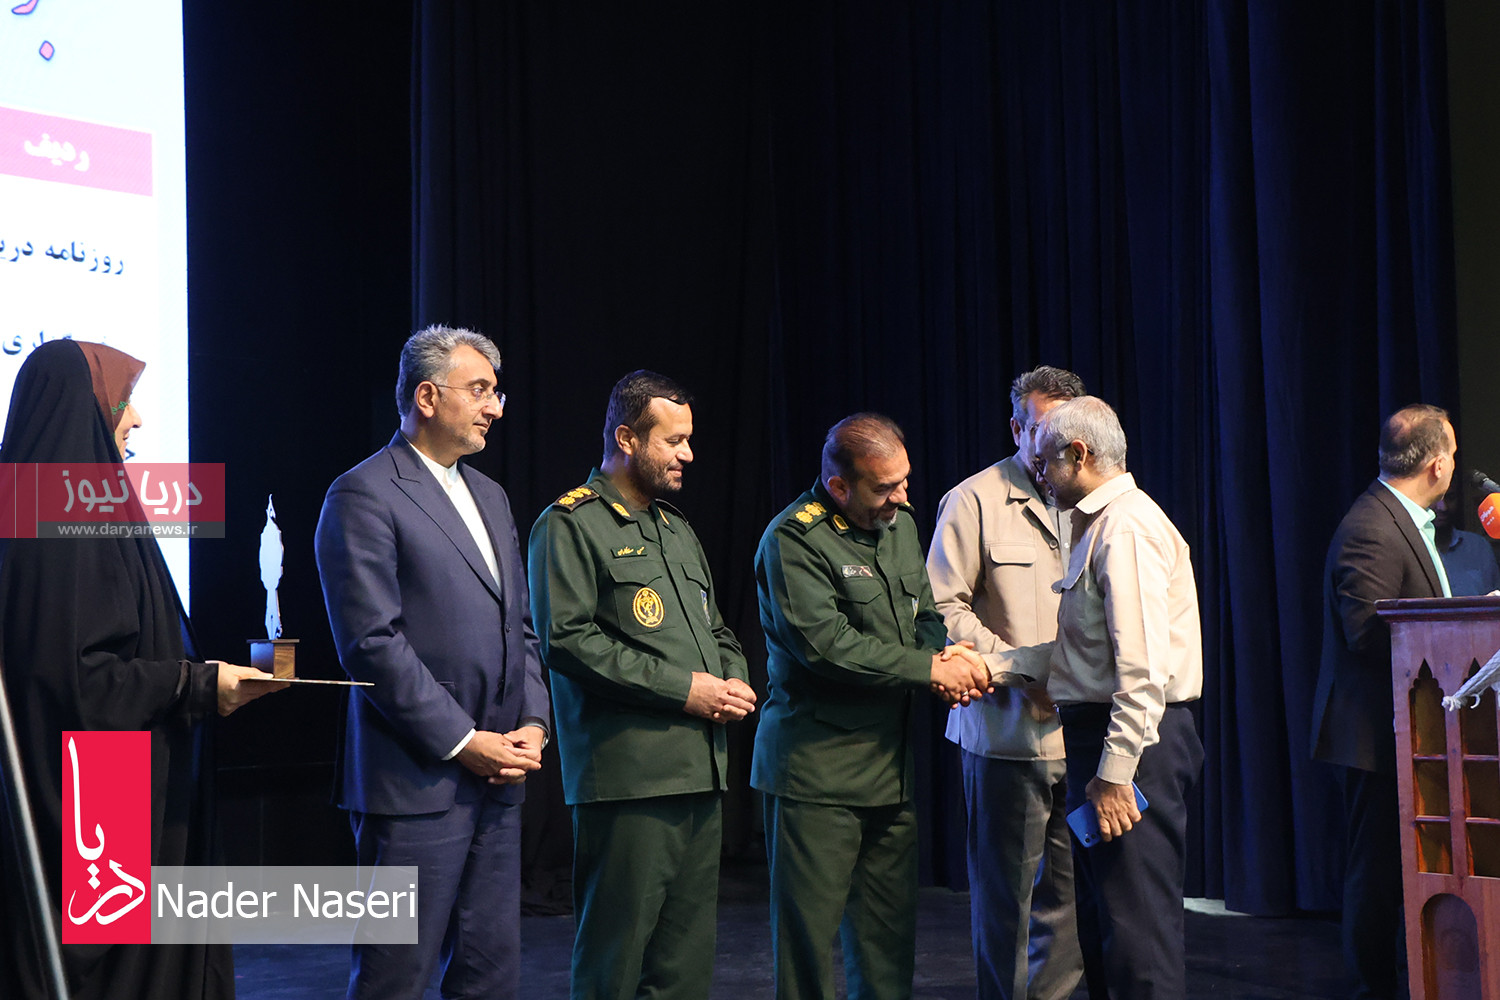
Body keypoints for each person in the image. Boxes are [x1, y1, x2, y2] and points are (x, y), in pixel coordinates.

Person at [0, 339, 284, 1000]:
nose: (136, 420)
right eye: (122, 402)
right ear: (83, 412)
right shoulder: (61, 525)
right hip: (97, 808)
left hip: (108, 791)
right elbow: (80, 680)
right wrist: (197, 684)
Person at [314, 325, 550, 1000]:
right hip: (413, 783)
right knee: (395, 978)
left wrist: (534, 723)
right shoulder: (362, 493)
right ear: (426, 397)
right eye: (479, 390)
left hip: (499, 778)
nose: (495, 407)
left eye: (496, 392)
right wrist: (463, 741)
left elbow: (521, 627)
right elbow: (371, 643)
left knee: (491, 976)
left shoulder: (492, 495)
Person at [528, 370, 754, 1000]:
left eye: (689, 440)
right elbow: (568, 641)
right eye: (673, 441)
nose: (689, 454)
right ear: (627, 438)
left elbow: (716, 630)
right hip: (628, 780)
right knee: (615, 959)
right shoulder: (570, 524)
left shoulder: (676, 527)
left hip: (700, 773)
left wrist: (732, 679)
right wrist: (687, 689)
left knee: (684, 965)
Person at [752, 413, 994, 1000]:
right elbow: (826, 647)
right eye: (885, 487)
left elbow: (926, 616)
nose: (902, 496)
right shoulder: (793, 540)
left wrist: (942, 658)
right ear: (839, 486)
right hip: (816, 775)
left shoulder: (900, 525)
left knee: (886, 946)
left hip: (890, 772)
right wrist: (930, 671)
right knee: (807, 949)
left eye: (904, 481)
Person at [1018, 396, 1203, 1000]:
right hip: (1104, 738)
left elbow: (1143, 670)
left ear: (1079, 455)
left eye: (1044, 462)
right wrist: (992, 665)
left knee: (1137, 941)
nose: (1037, 475)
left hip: (1131, 745)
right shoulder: (1099, 524)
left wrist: (1116, 773)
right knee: (1106, 931)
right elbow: (1085, 654)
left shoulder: (1125, 527)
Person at [926, 365, 1085, 1000]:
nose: (1055, 443)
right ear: (1017, 428)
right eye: (1042, 428)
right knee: (1005, 901)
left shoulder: (1093, 497)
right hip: (1004, 734)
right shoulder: (973, 500)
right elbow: (942, 608)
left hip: (1083, 733)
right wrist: (1018, 668)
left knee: (1069, 902)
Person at [1311, 404, 1456, 1000]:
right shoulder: (1373, 525)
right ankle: (1372, 988)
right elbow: (1367, 633)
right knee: (1375, 873)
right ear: (1437, 464)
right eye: (1453, 454)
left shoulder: (1402, 519)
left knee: (1395, 870)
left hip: (1408, 728)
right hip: (1376, 734)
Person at [1433, 489, 1500, 597]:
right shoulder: (1413, 548)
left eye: (1450, 498)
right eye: (1436, 498)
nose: (1443, 507)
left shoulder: (1478, 546)